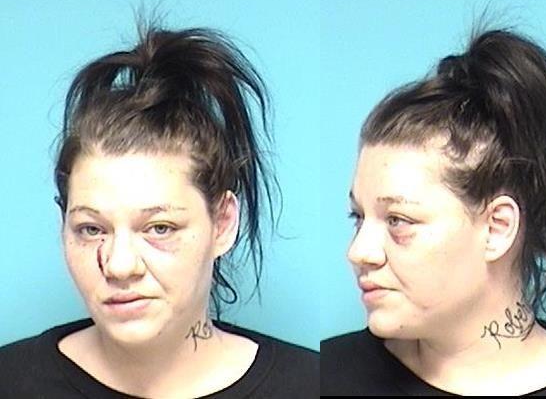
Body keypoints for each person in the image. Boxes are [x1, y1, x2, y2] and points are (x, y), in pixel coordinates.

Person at [0, 24, 318, 398]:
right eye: (91, 229)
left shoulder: (309, 384)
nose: (120, 266)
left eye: (160, 227)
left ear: (223, 223)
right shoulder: (11, 380)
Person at [321, 27, 546, 396]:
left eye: (398, 220)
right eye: (358, 217)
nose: (358, 252)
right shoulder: (328, 376)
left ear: (497, 228)